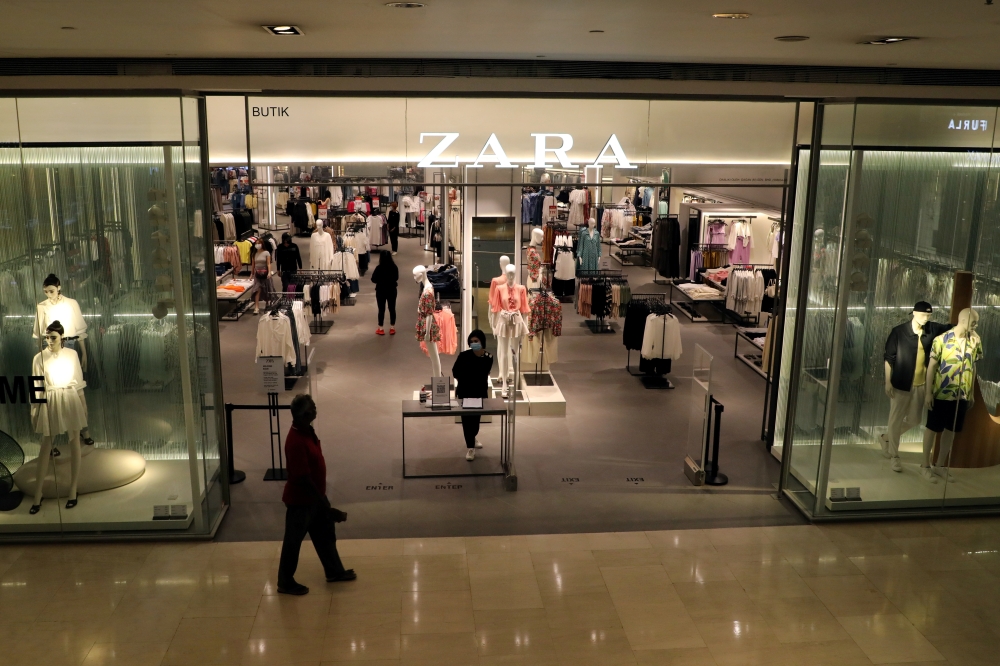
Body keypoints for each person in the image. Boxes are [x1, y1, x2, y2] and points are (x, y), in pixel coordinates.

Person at [277, 394, 356, 596]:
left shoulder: (306, 432)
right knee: (293, 542)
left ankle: (334, 571)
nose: (316, 409)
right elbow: (303, 478)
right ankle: (285, 582)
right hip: (301, 501)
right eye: (313, 407)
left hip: (315, 497)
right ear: (305, 414)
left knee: (325, 535)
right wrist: (325, 507)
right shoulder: (296, 441)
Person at [452, 330, 493, 461]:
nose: (473, 343)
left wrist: (471, 373)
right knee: (466, 420)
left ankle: (473, 437)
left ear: (482, 342)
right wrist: (468, 377)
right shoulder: (464, 356)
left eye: (476, 341)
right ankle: (470, 447)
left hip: (479, 393)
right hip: (465, 392)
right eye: (471, 342)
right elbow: (455, 372)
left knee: (475, 420)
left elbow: (483, 373)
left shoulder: (488, 358)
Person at [370, 250, 398, 336]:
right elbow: (396, 277)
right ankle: (392, 327)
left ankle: (381, 328)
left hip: (381, 290)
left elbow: (373, 279)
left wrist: (380, 281)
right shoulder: (394, 267)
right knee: (392, 308)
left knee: (381, 309)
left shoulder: (379, 268)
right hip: (392, 290)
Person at [252, 240, 273, 315]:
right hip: (257, 274)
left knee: (266, 288)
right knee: (257, 289)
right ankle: (256, 307)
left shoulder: (266, 253)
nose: (257, 245)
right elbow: (253, 265)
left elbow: (268, 263)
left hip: (265, 273)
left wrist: (269, 272)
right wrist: (251, 274)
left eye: (259, 243)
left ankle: (267, 303)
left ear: (262, 244)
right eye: (256, 244)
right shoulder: (255, 254)